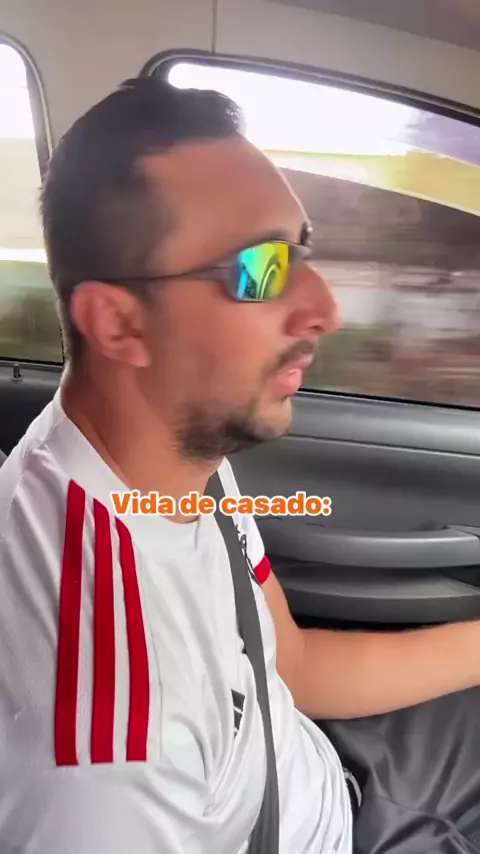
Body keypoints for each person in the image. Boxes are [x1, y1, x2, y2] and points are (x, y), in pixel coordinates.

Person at [0, 76, 479, 854]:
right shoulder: (106, 757)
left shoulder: (173, 454)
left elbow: (291, 664)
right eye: (261, 269)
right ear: (118, 325)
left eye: (302, 249)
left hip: (320, 770)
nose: (326, 308)